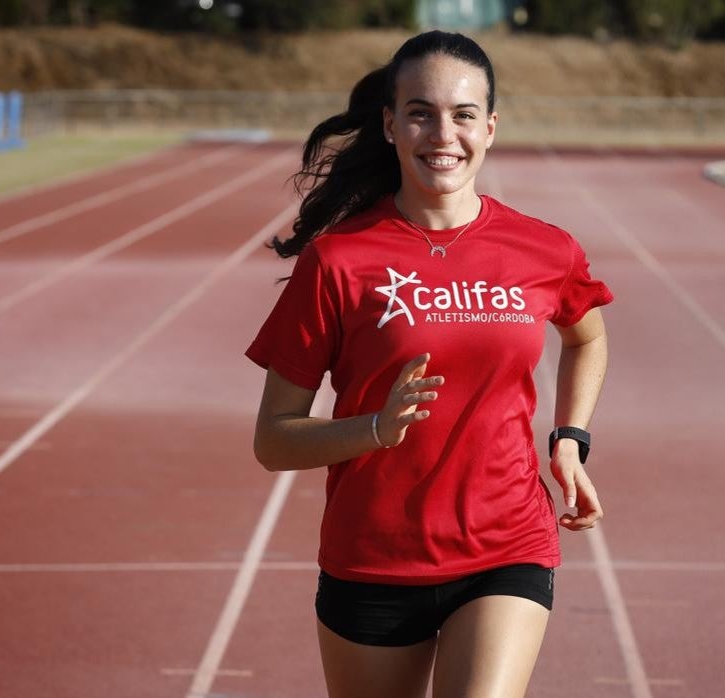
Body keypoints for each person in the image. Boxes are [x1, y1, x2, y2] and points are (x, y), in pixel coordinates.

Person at [247, 29, 613, 698]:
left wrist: (570, 439)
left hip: (506, 546)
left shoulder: (544, 249)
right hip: (374, 561)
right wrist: (374, 429)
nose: (443, 132)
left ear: (491, 127)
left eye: (464, 114)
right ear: (390, 125)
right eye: (421, 112)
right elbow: (273, 440)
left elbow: (586, 336)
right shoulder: (337, 262)